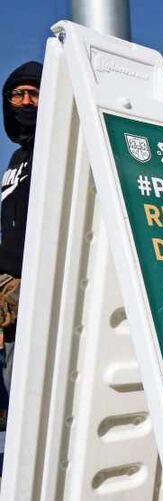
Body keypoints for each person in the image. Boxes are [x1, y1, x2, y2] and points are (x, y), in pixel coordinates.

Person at [0, 61, 42, 460]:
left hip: (41, 294)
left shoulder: (57, 143)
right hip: (9, 297)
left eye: (35, 94)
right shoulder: (14, 161)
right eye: (18, 95)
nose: (26, 102)